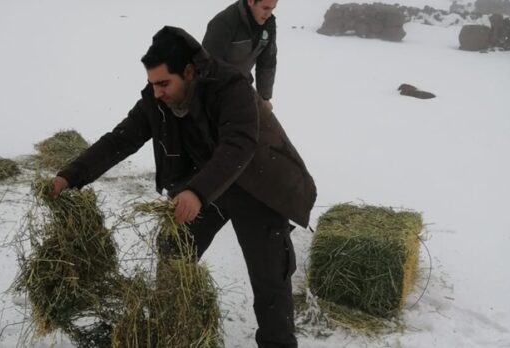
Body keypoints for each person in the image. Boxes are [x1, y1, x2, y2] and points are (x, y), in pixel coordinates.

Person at [51, 26, 316, 348]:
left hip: (260, 186)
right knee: (174, 250)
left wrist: (196, 192)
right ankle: (172, 324)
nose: (157, 92)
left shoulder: (231, 87)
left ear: (189, 72)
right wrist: (70, 176)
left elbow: (237, 146)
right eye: (152, 84)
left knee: (270, 280)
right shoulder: (157, 100)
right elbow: (120, 140)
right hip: (209, 185)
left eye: (164, 83)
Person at [203, 0, 278, 110]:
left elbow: (267, 63)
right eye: (265, 8)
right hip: (216, 91)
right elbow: (208, 66)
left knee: (268, 124)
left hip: (242, 85)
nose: (269, 14)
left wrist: (264, 98)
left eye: (272, 9)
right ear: (250, 1)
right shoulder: (223, 23)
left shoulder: (269, 23)